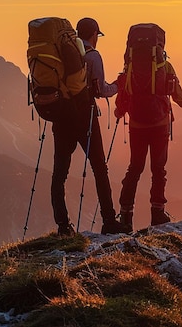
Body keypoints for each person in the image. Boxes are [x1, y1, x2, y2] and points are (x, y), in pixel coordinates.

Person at [114, 24, 182, 231]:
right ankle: (158, 214)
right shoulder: (165, 67)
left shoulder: (130, 67)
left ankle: (125, 215)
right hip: (160, 124)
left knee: (134, 168)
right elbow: (178, 96)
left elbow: (122, 96)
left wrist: (119, 112)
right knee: (158, 169)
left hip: (136, 125)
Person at [50, 17, 128, 236]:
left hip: (61, 117)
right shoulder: (93, 55)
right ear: (94, 34)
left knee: (60, 173)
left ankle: (63, 226)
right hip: (85, 117)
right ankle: (109, 221)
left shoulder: (61, 53)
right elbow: (101, 89)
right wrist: (118, 86)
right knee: (99, 169)